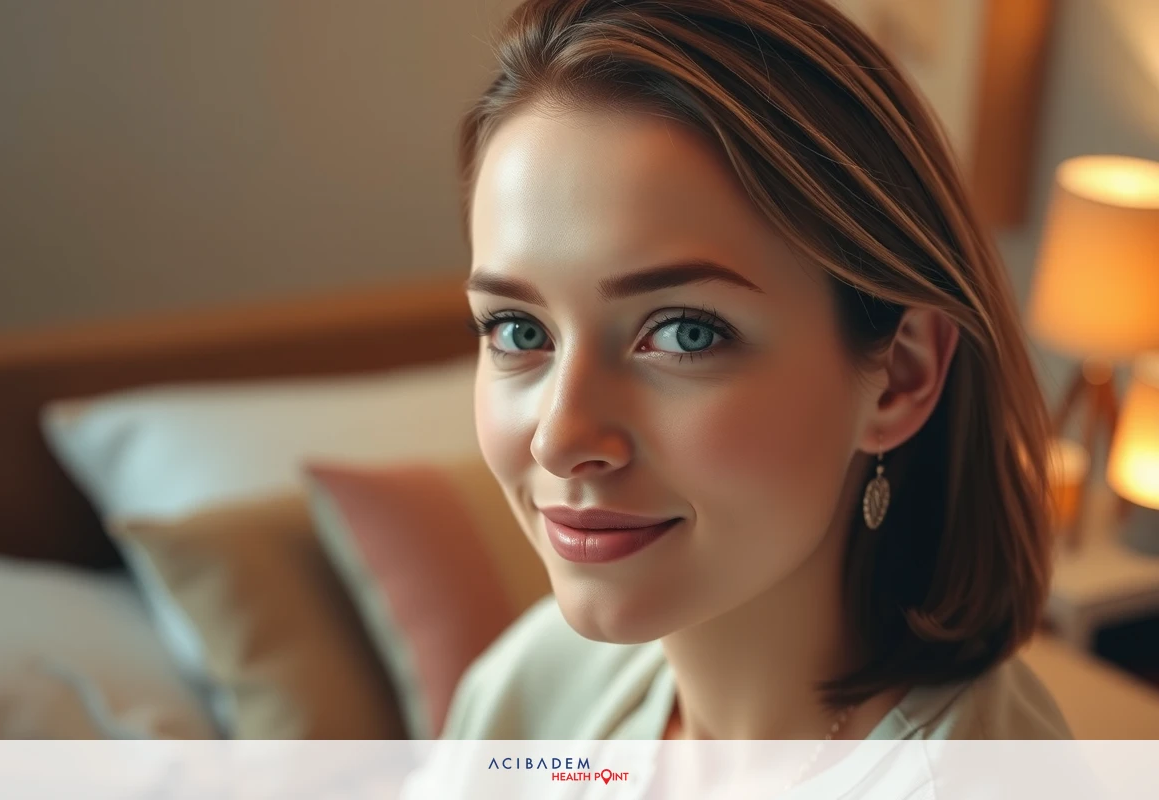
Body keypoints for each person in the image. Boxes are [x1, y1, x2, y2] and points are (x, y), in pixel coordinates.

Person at [447, 0, 1071, 744]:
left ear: (900, 377)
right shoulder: (532, 692)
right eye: (518, 330)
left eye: (685, 332)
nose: (559, 439)